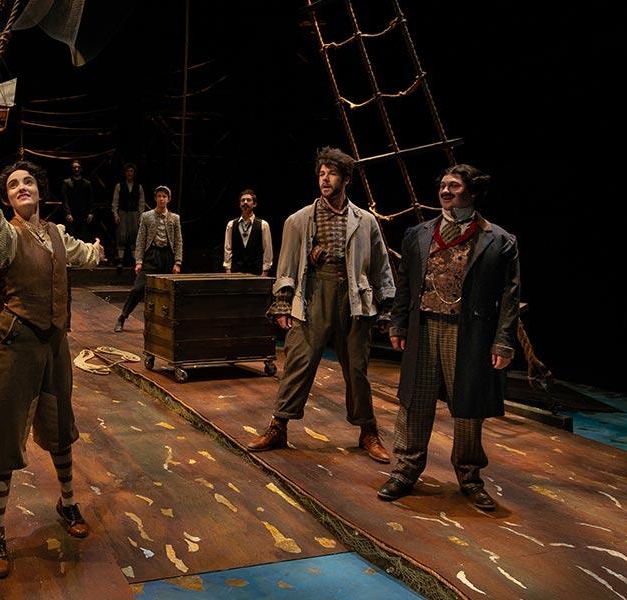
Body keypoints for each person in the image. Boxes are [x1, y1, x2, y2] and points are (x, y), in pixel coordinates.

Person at [0, 128, 103, 579]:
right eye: (13, 184)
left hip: (55, 343)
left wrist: (96, 251)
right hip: (18, 342)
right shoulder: (6, 235)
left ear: (39, 190)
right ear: (8, 198)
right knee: (4, 435)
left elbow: (82, 254)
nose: (22, 187)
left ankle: (67, 504)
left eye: (27, 181)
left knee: (61, 426)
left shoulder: (56, 234)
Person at [378, 164, 521, 511]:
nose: (445, 191)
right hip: (424, 328)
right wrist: (398, 324)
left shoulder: (498, 240)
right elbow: (405, 282)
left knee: (468, 406)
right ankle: (405, 470)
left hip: (468, 333)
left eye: (454, 186)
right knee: (415, 401)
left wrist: (503, 341)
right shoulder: (418, 234)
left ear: (472, 192)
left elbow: (510, 295)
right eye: (443, 185)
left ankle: (470, 477)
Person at [244, 147, 395, 464]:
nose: (325, 179)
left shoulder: (365, 221)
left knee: (357, 369)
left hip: (353, 298)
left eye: (332, 174)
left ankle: (368, 431)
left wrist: (386, 309)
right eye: (322, 174)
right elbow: (286, 266)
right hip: (314, 294)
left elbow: (381, 266)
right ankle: (278, 426)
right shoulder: (299, 220)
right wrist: (283, 305)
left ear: (346, 179)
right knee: (299, 362)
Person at [114, 185, 182, 333]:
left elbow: (178, 241)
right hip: (152, 255)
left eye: (164, 196)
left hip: (167, 256)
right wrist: (139, 261)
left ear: (168, 199)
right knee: (138, 288)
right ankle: (122, 317)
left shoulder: (174, 218)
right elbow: (140, 240)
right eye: (159, 196)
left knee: (167, 291)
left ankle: (165, 325)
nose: (162, 199)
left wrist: (177, 262)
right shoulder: (147, 216)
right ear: (155, 198)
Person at [222, 188, 274, 276]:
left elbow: (267, 249)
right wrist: (228, 270)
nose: (245, 202)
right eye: (242, 200)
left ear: (254, 204)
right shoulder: (231, 225)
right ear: (240, 204)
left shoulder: (263, 225)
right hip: (236, 272)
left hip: (256, 272)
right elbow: (228, 248)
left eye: (248, 200)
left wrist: (265, 271)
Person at [111, 163, 146, 267]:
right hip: (122, 212)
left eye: (131, 171)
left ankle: (135, 261)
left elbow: (141, 202)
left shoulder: (138, 187)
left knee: (134, 235)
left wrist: (141, 216)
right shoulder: (119, 186)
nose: (129, 173)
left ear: (134, 173)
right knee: (121, 235)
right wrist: (115, 214)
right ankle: (120, 260)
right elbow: (115, 201)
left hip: (134, 213)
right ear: (125, 173)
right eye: (128, 171)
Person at [60, 160, 93, 239]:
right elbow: (64, 199)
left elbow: (90, 199)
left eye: (78, 167)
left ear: (81, 169)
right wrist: (68, 213)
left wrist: (90, 212)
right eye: (74, 167)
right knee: (72, 236)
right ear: (72, 169)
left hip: (84, 214)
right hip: (72, 213)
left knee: (84, 236)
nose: (76, 169)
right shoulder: (66, 182)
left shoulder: (87, 183)